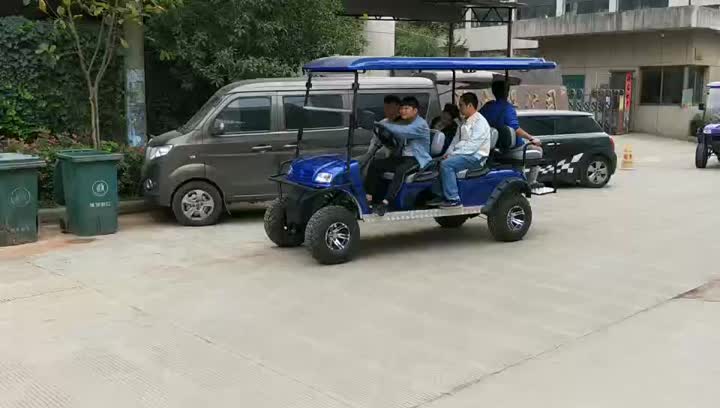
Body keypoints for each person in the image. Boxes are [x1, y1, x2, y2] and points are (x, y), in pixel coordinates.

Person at [365, 96, 432, 215]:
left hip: (417, 159)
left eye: (406, 108)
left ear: (415, 110)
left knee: (400, 171)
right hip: (403, 157)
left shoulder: (420, 124)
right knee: (376, 164)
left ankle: (386, 202)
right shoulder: (404, 122)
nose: (402, 111)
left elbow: (401, 131)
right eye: (401, 109)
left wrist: (379, 124)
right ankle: (369, 198)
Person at [428, 92, 492, 208]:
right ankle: (440, 195)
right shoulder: (464, 123)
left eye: (461, 105)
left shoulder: (480, 123)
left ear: (470, 106)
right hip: (464, 155)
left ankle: (454, 199)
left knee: (447, 165)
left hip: (476, 157)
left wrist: (453, 155)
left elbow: (472, 146)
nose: (459, 108)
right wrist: (449, 154)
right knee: (438, 162)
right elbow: (455, 142)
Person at [480, 81, 544, 188]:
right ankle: (531, 182)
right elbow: (515, 128)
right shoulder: (507, 107)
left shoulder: (487, 107)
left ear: (493, 92)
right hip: (513, 147)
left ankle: (520, 176)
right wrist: (532, 138)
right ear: (507, 92)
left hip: (495, 147)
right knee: (538, 149)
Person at [363, 95, 402, 161]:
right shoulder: (383, 123)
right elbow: (374, 140)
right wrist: (369, 155)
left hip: (400, 159)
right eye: (386, 108)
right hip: (380, 156)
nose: (388, 111)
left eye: (391, 108)